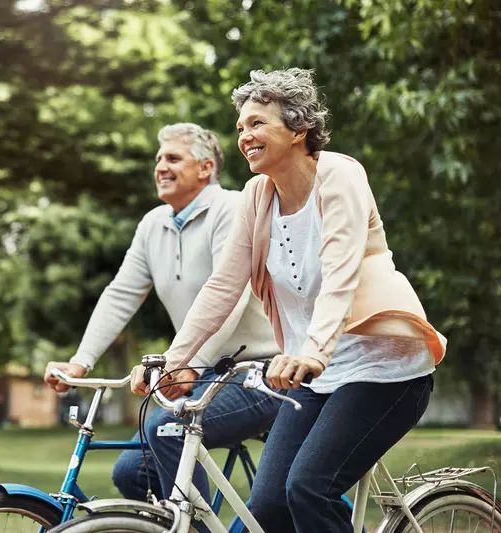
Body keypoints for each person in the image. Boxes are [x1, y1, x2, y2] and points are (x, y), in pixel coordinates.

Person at [130, 69, 447, 533]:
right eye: (240, 128)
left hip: (384, 369)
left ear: (299, 130)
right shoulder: (257, 197)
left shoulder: (340, 174)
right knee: (270, 506)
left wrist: (312, 352)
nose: (245, 136)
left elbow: (341, 271)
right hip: (314, 378)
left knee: (308, 487)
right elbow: (223, 287)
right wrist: (175, 361)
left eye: (257, 123)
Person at [43, 123, 282, 510]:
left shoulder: (232, 208)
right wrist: (81, 361)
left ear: (205, 168)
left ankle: (195, 525)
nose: (161, 167)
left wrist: (188, 363)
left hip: (261, 371)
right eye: (158, 160)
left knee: (167, 430)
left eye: (173, 158)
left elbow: (230, 294)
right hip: (202, 372)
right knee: (130, 472)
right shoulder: (153, 224)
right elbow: (121, 294)